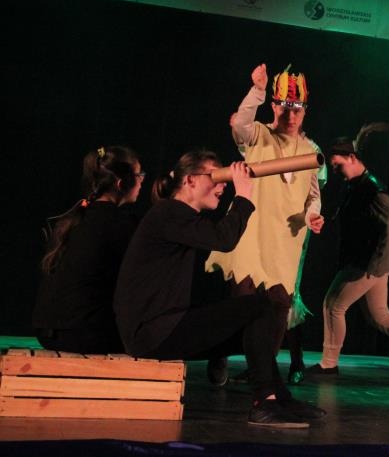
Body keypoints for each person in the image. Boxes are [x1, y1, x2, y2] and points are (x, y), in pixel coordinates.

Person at [113, 150, 323, 428]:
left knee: (255, 328)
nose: (223, 186)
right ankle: (264, 403)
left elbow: (221, 236)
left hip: (163, 328)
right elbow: (224, 239)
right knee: (260, 306)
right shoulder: (168, 213)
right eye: (216, 177)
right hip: (153, 334)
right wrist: (244, 194)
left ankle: (279, 398)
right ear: (190, 180)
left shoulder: (177, 215)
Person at [205, 64, 326, 386]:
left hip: (285, 240)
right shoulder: (258, 135)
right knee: (241, 302)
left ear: (305, 111)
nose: (291, 115)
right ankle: (221, 353)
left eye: (297, 109)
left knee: (278, 307)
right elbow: (240, 125)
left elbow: (313, 196)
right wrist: (257, 90)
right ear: (274, 106)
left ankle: (265, 376)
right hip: (252, 232)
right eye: (285, 107)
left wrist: (312, 215)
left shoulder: (310, 151)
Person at [306, 125, 389, 382]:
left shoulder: (371, 188)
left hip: (367, 262)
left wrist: (377, 261)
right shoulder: (355, 185)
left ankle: (329, 364)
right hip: (370, 260)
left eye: (338, 165)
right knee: (379, 315)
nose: (336, 171)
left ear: (352, 158)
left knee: (333, 305)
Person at [33, 145, 145, 354]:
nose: (142, 181)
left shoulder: (73, 218)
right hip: (84, 335)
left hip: (47, 333)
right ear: (121, 183)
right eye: (139, 175)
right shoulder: (120, 223)